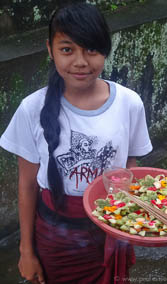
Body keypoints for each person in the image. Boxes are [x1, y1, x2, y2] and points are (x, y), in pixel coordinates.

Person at [0, 3, 152, 284]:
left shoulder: (129, 104)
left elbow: (131, 167)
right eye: (67, 49)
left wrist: (132, 223)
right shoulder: (31, 108)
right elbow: (27, 184)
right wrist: (26, 250)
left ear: (105, 49)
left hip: (111, 230)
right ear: (50, 50)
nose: (81, 61)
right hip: (56, 241)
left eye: (91, 49)